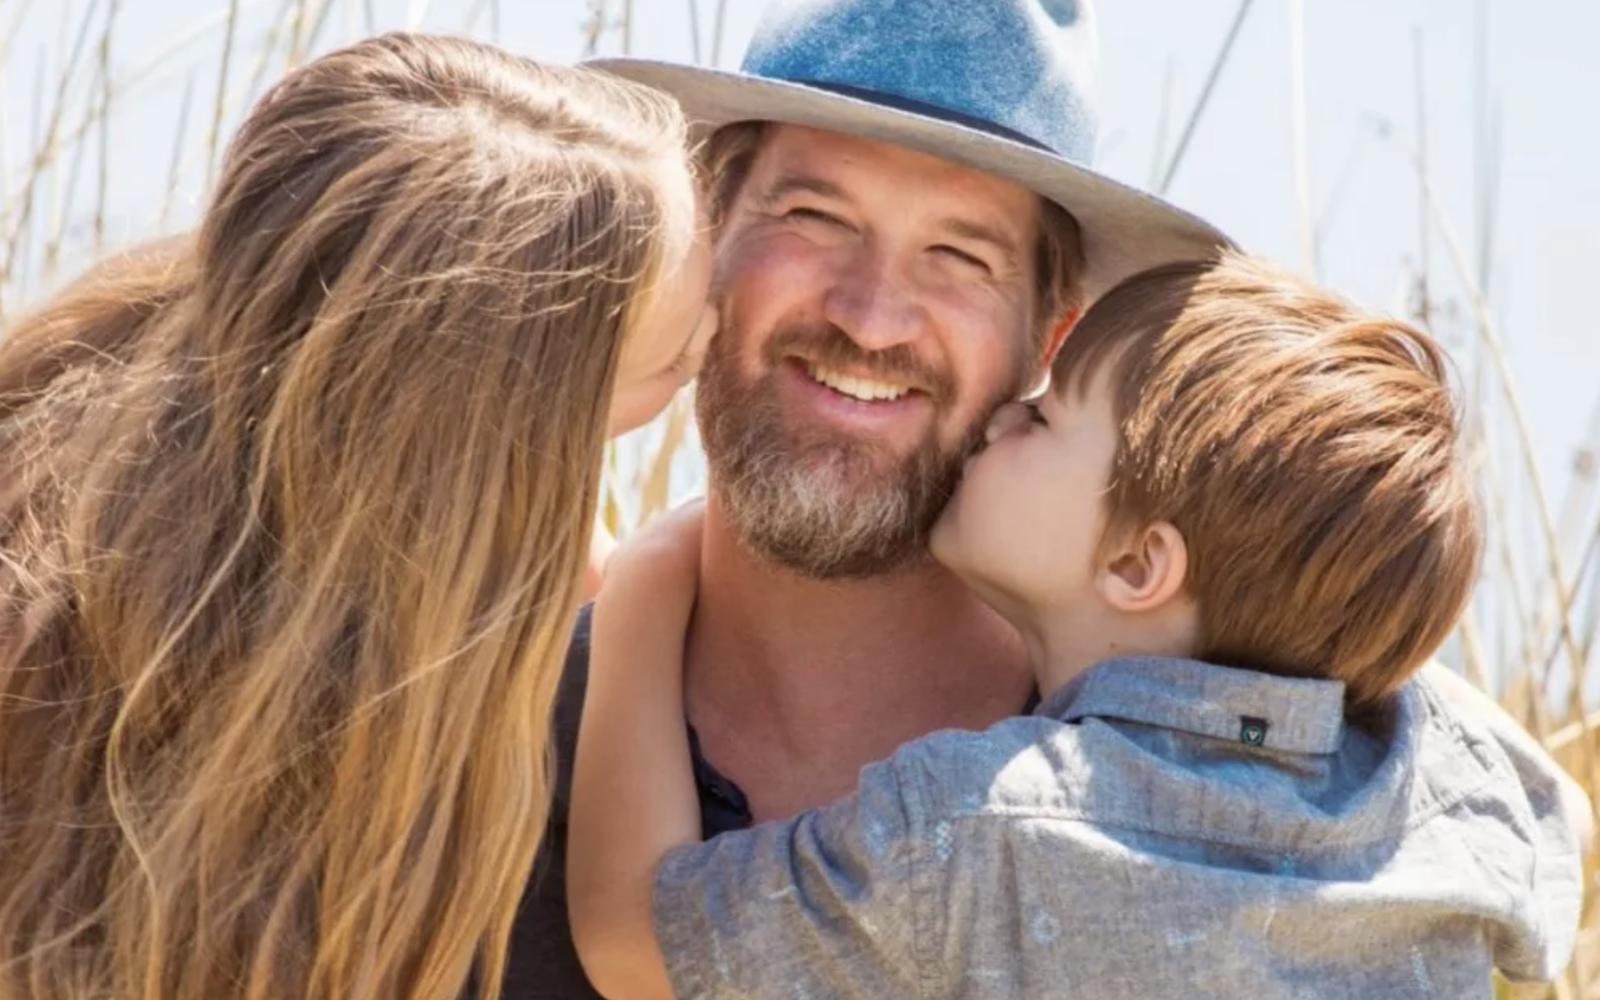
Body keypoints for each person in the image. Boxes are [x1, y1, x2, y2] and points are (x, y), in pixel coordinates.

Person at [506, 1, 1590, 993]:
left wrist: (643, 574)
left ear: (1052, 337)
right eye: (815, 215)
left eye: (959, 256)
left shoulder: (1345, 777)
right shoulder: (467, 735)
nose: (872, 317)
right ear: (704, 244)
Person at [569, 252, 1584, 999]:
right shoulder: (1443, 790)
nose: (1004, 415)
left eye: (1047, 417)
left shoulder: (979, 831)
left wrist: (646, 584)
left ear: (1137, 565)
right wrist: (1326, 626)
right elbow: (1565, 822)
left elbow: (634, 939)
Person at [0, 34, 713, 1000]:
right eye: (672, 364)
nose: (708, 350)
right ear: (503, 438)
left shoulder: (93, 412)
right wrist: (655, 578)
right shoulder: (409, 698)